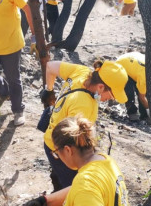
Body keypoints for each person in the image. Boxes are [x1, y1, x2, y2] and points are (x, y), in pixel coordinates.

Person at [40, 60, 128, 192]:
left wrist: (49, 90)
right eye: (112, 95)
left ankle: (57, 186)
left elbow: (50, 66)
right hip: (61, 151)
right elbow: (73, 143)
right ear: (100, 87)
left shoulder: (82, 72)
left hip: (51, 140)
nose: (112, 99)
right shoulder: (84, 105)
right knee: (72, 191)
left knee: (61, 180)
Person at [116, 52, 149, 121]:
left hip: (132, 63)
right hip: (121, 66)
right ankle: (132, 112)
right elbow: (142, 97)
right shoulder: (144, 77)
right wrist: (150, 111)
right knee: (129, 91)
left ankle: (144, 115)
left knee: (142, 90)